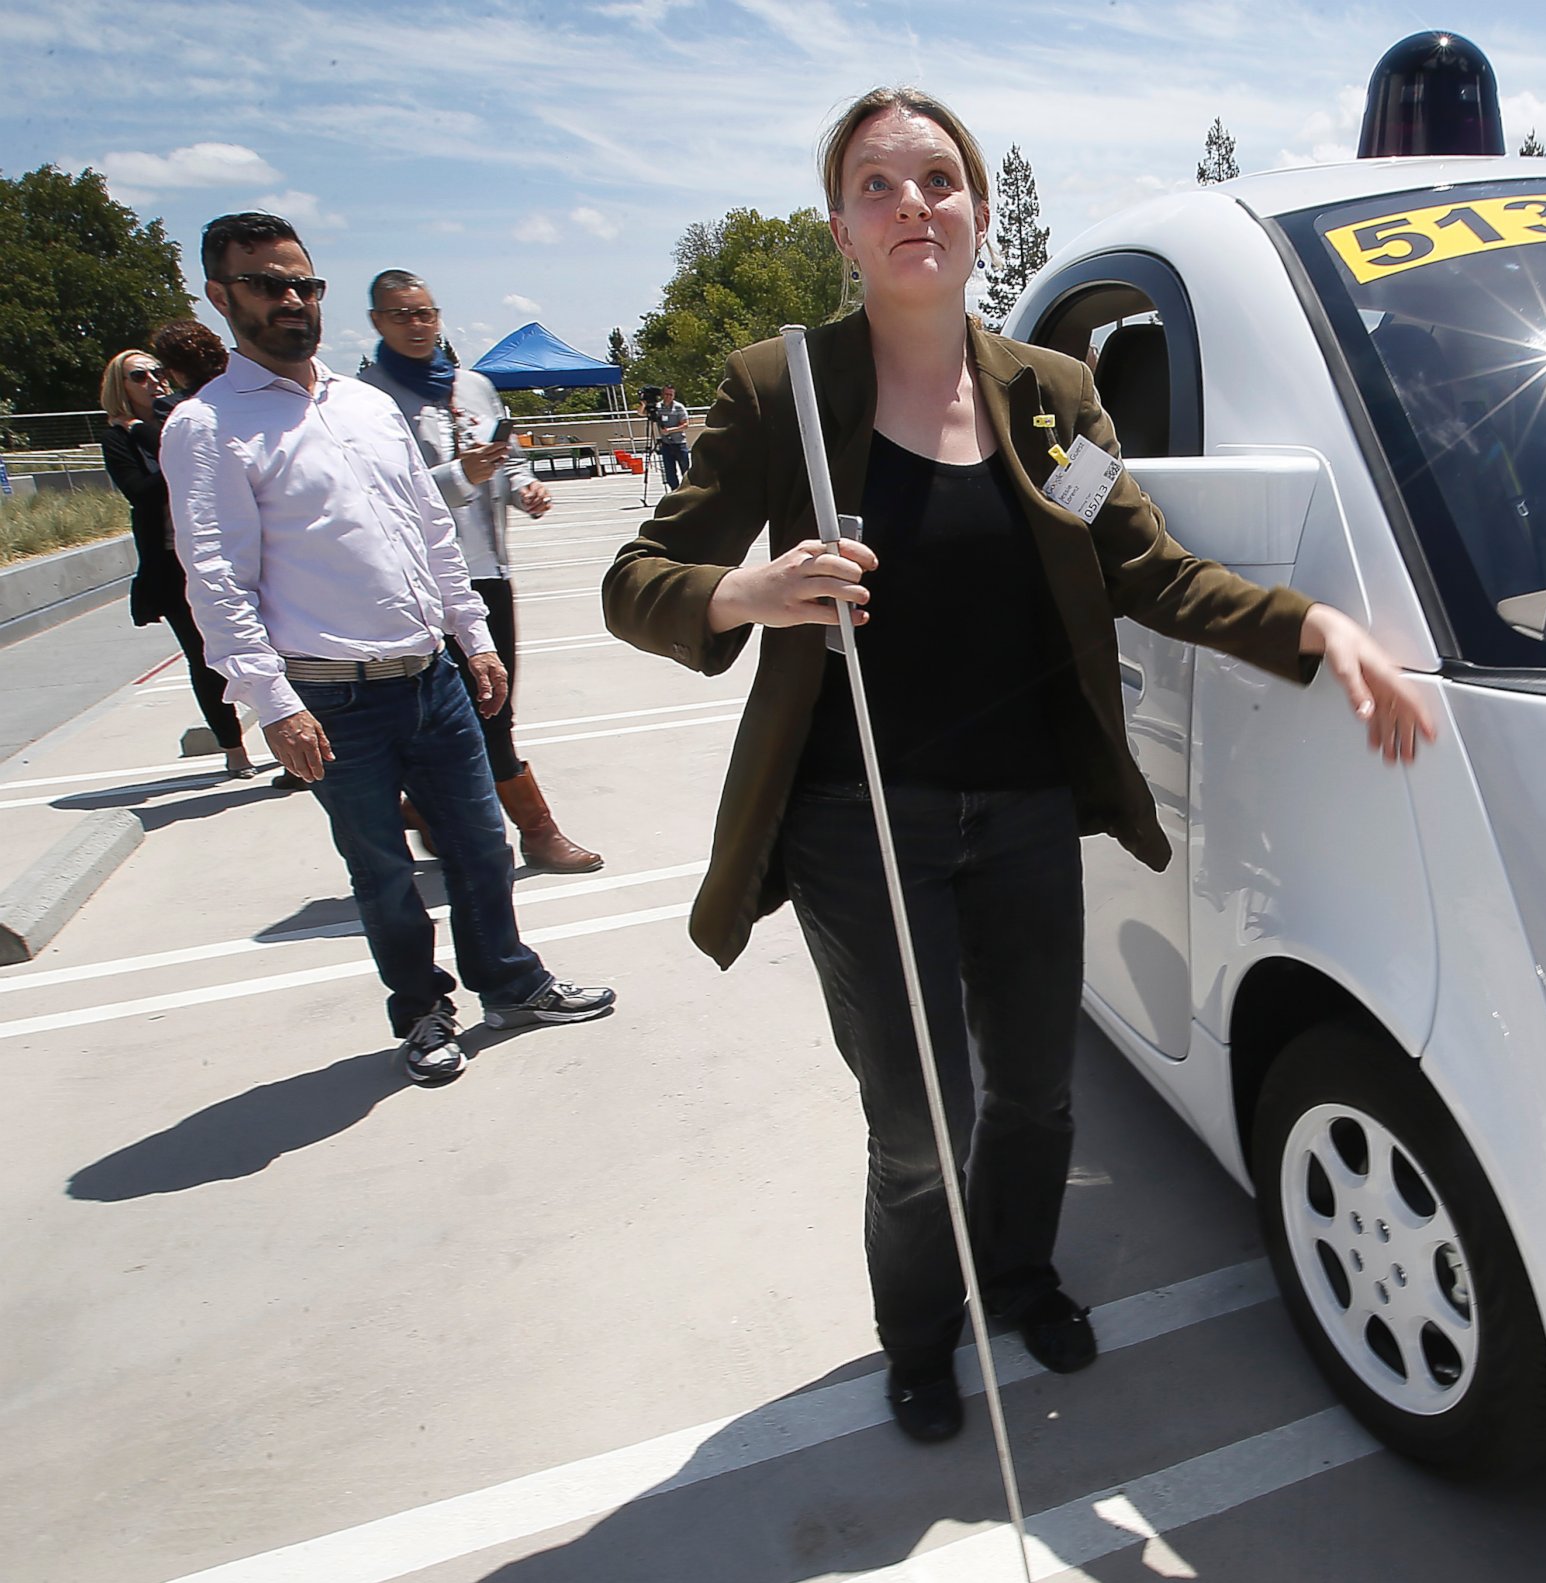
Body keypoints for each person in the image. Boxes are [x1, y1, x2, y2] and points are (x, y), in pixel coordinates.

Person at [604, 88, 1435, 1443]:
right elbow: (636, 579)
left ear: (980, 213)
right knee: (922, 1118)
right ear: (843, 227)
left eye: (938, 178)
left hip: (1028, 807)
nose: (912, 203)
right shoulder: (783, 392)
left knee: (1038, 1087)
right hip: (854, 813)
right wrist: (750, 592)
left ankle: (1023, 1272)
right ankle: (921, 1327)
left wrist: (1315, 625)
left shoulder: (1054, 398)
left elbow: (1148, 565)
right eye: (878, 185)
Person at [163, 210, 616, 1084]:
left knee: (481, 843)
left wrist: (472, 638)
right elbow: (215, 578)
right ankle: (421, 1011)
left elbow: (429, 535)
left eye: (304, 283)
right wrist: (274, 703)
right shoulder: (209, 426)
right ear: (221, 298)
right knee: (380, 871)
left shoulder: (366, 407)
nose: (292, 300)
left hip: (432, 673)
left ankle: (509, 982)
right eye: (267, 284)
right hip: (331, 696)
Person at [360, 270, 604, 872]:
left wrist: (523, 487)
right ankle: (535, 830)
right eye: (401, 316)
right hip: (417, 580)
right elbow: (380, 494)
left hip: (487, 572)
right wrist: (458, 478)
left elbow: (507, 455)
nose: (417, 326)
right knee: (458, 709)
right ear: (376, 323)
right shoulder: (367, 399)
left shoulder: (474, 387)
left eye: (425, 313)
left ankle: (432, 811)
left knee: (494, 700)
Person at [99, 344, 256, 778]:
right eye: (139, 376)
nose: (153, 381)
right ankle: (233, 747)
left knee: (267, 641)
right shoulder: (116, 436)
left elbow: (211, 460)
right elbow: (141, 491)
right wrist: (138, 438)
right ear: (121, 387)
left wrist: (147, 433)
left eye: (156, 371)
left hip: (225, 549)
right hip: (172, 565)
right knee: (204, 656)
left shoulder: (183, 415)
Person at [646, 386, 691, 490]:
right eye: (666, 394)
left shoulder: (678, 407)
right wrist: (644, 403)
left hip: (679, 443)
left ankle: (687, 490)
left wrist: (670, 430)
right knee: (670, 473)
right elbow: (642, 413)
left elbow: (685, 425)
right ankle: (674, 491)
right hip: (666, 444)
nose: (668, 397)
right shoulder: (658, 407)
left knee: (685, 470)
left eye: (671, 395)